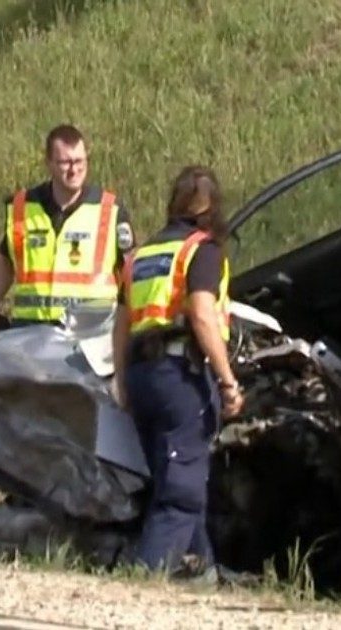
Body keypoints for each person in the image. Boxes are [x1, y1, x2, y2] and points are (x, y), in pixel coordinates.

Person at [112, 165, 245, 577]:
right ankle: (143, 580)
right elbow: (203, 316)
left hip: (141, 374)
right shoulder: (202, 250)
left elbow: (121, 322)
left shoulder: (143, 254)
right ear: (213, 210)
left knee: (177, 478)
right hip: (179, 376)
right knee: (180, 491)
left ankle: (200, 573)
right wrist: (227, 380)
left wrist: (121, 381)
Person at [0, 124, 136, 348]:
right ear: (48, 163)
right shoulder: (23, 207)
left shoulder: (109, 209)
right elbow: (5, 265)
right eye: (65, 162)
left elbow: (132, 271)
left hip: (91, 339)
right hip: (30, 336)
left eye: (79, 161)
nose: (73, 170)